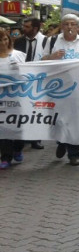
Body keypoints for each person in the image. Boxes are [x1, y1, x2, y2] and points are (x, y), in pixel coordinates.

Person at [41, 14, 79, 166]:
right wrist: (52, 56)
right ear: (62, 26)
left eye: (73, 24)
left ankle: (74, 153)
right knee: (59, 117)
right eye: (66, 24)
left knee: (77, 120)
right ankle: (61, 141)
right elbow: (42, 61)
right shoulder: (52, 40)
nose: (70, 27)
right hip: (58, 88)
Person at [13, 18, 46, 149]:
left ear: (35, 29)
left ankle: (35, 139)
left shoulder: (46, 41)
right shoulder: (19, 41)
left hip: (39, 80)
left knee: (37, 109)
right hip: (22, 80)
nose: (23, 29)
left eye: (27, 27)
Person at [0, 28, 26, 169]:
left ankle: (18, 148)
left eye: (5, 39)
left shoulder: (19, 55)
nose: (3, 43)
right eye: (0, 40)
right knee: (2, 128)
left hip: (17, 98)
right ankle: (5, 157)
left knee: (18, 126)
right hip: (1, 100)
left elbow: (29, 73)